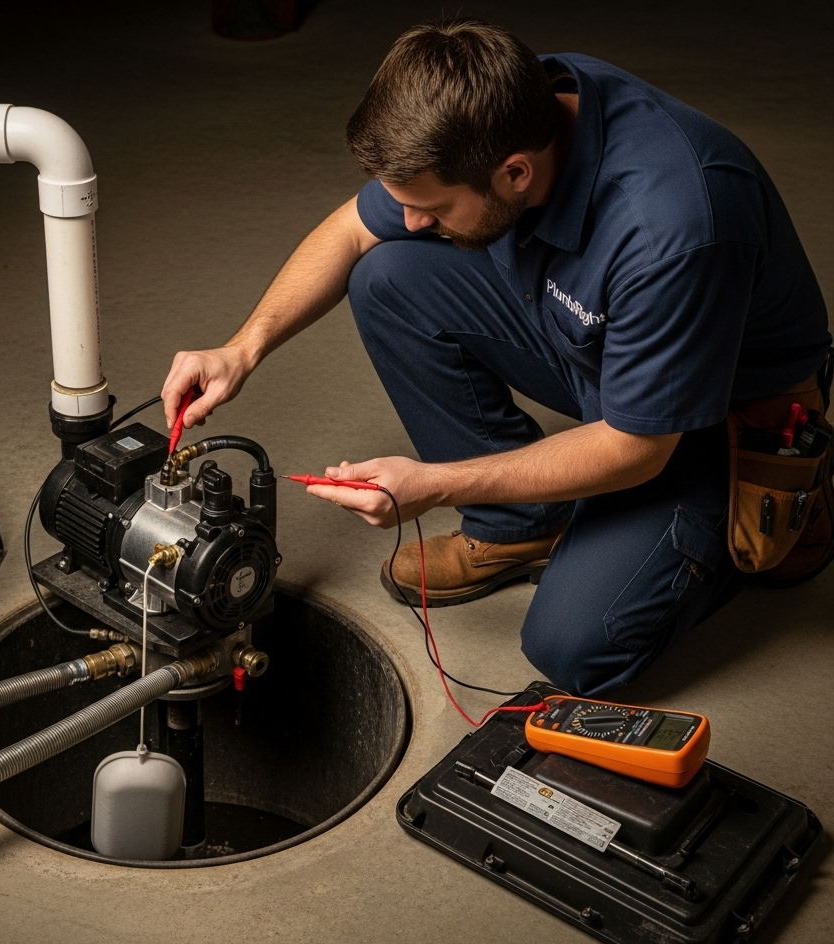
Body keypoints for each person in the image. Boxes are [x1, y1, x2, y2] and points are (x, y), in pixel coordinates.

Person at [160, 18, 831, 695]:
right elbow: (353, 229)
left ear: (515, 173)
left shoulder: (671, 228)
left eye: (433, 209)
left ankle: (782, 515)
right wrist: (241, 349)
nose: (415, 221)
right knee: (386, 277)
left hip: (711, 415)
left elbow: (638, 448)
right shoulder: (505, 109)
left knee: (572, 647)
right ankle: (520, 526)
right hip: (597, 337)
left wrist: (437, 483)